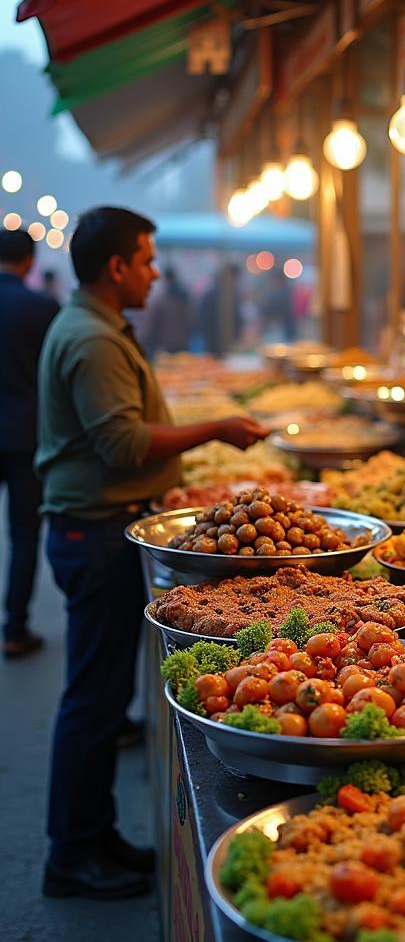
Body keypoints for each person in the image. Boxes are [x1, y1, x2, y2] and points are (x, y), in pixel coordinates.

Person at [35, 207, 268, 900]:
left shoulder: (98, 327)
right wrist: (219, 428)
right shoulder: (91, 337)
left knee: (101, 699)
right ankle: (72, 855)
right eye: (146, 258)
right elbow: (124, 445)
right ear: (117, 268)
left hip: (104, 526)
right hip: (96, 533)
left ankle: (92, 836)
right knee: (93, 700)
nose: (156, 271)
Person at [0, 229, 60, 657]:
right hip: (24, 436)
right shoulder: (41, 308)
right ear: (29, 260)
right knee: (23, 534)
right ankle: (15, 628)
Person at [139, 265, 191, 355]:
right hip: (182, 342)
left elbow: (153, 324)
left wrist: (148, 339)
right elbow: (191, 320)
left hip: (166, 344)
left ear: (167, 279)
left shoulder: (162, 299)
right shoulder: (184, 297)